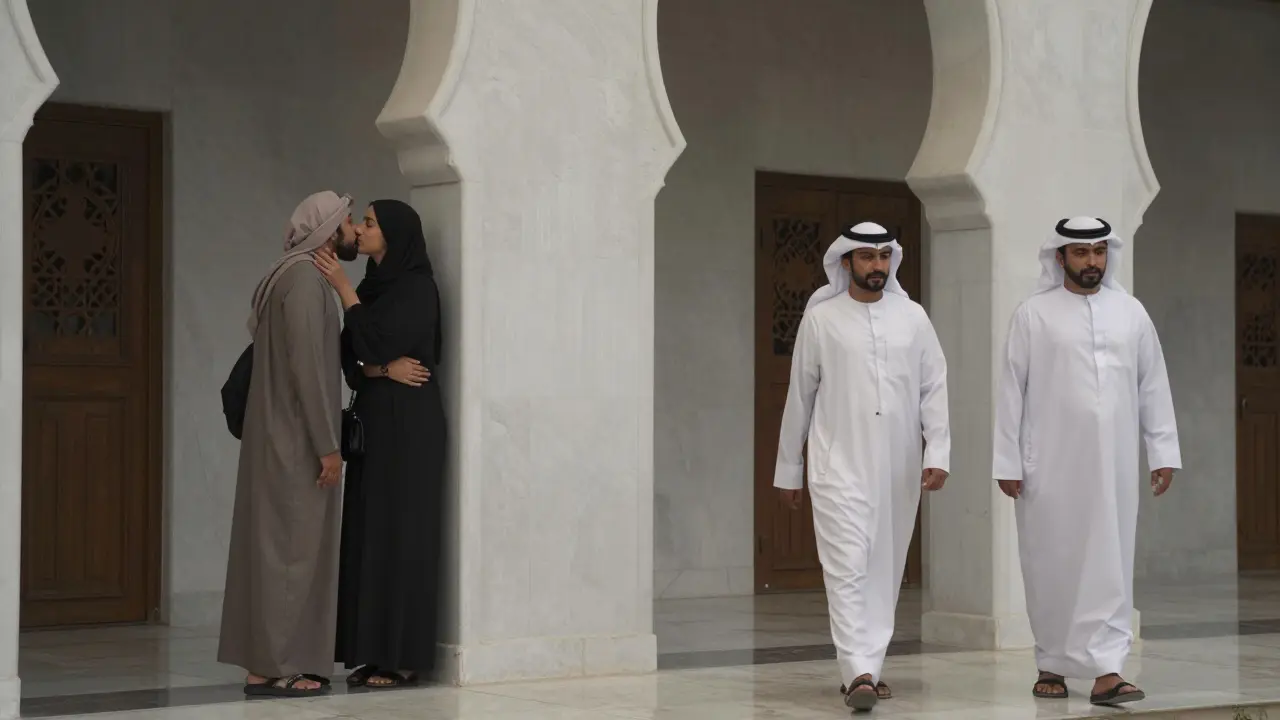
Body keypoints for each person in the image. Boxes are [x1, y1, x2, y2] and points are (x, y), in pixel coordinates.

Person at [993, 217, 1181, 707]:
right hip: (1048, 463)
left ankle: (1107, 670)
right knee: (1051, 558)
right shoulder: (1033, 314)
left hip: (1114, 463)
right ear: (1060, 257)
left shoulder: (1131, 313)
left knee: (1110, 560)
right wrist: (1007, 459)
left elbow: (1153, 385)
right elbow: (1012, 390)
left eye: (1099, 251)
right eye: (1081, 253)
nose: (1092, 261)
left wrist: (1162, 451)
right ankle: (1051, 660)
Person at [774, 222, 950, 712]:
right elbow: (799, 398)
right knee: (846, 566)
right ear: (846, 262)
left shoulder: (913, 317)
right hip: (836, 465)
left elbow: (933, 386)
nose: (877, 266)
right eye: (866, 257)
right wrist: (789, 468)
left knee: (884, 569)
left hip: (899, 466)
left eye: (883, 257)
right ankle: (858, 673)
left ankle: (869, 665)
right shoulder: (821, 319)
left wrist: (938, 452)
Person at [218, 190, 357, 697]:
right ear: (328, 230)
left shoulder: (296, 276)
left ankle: (264, 667)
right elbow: (307, 370)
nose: (351, 232)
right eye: (346, 222)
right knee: (292, 553)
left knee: (279, 550)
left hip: (279, 434)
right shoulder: (302, 282)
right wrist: (327, 444)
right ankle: (283, 664)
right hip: (295, 440)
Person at [312, 199, 447, 689]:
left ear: (393, 234)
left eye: (370, 223)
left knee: (403, 535)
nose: (362, 230)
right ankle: (371, 652)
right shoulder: (372, 286)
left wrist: (345, 292)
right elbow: (353, 357)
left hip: (411, 426)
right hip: (375, 422)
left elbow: (374, 340)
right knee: (370, 532)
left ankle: (404, 657)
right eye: (364, 222)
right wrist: (381, 368)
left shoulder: (417, 290)